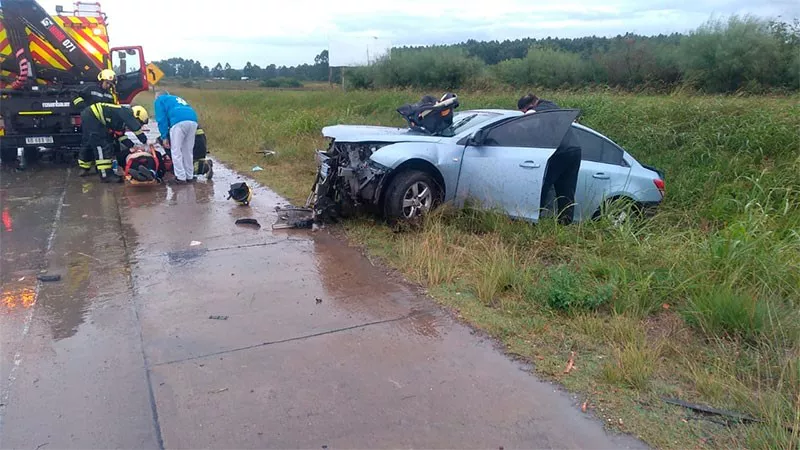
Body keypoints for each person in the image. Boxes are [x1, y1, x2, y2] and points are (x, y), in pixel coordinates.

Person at [517, 93, 582, 225]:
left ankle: (530, 221)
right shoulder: (553, 106)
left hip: (557, 151)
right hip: (574, 149)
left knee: (541, 186)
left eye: (523, 110)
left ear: (529, 106)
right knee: (567, 190)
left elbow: (524, 123)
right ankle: (565, 223)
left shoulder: (534, 111)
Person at [78, 103, 149, 182]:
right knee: (102, 145)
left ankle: (85, 167)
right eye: (140, 123)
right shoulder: (127, 113)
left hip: (91, 116)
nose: (140, 125)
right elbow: (136, 129)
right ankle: (106, 175)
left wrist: (133, 146)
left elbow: (121, 136)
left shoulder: (120, 119)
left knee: (94, 142)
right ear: (136, 116)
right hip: (93, 116)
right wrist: (145, 142)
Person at [154, 91, 199, 184]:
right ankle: (189, 175)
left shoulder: (159, 100)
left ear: (157, 96)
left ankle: (181, 177)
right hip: (193, 120)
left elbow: (161, 119)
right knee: (188, 151)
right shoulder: (175, 98)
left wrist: (164, 137)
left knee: (176, 151)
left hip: (178, 122)